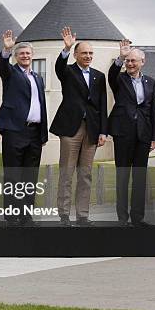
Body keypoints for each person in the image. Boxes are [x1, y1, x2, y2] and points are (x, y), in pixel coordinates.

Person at [50, 27, 107, 227]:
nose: (88, 56)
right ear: (76, 55)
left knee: (86, 173)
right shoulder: (68, 72)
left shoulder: (99, 76)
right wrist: (65, 48)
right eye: (84, 53)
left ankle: (83, 215)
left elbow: (102, 105)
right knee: (66, 172)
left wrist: (103, 131)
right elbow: (58, 67)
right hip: (70, 128)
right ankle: (64, 215)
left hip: (92, 129)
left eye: (91, 53)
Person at [0, 30, 48, 226]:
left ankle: (26, 215)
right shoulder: (11, 73)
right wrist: (7, 50)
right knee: (12, 175)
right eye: (21, 54)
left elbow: (41, 105)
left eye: (28, 53)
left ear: (32, 56)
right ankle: (11, 216)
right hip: (15, 131)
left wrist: (43, 133)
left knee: (30, 177)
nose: (25, 56)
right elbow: (2, 66)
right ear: (16, 57)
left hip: (34, 133)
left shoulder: (38, 78)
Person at [108, 40, 155, 227]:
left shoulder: (151, 82)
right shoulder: (119, 80)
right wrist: (120, 56)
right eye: (128, 61)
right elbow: (112, 74)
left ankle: (138, 217)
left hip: (143, 136)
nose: (130, 64)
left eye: (133, 61)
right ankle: (122, 218)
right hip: (122, 133)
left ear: (142, 62)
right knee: (122, 176)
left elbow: (154, 111)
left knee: (139, 177)